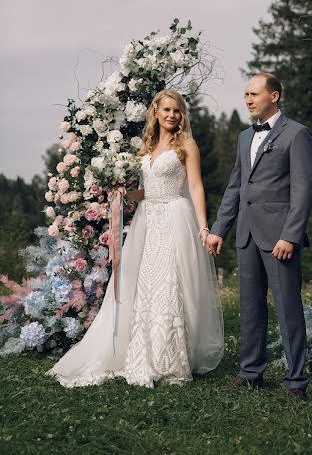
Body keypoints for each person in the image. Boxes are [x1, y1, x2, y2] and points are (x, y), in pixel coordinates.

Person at [48, 89, 224, 388]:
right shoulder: (146, 148)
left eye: (177, 111)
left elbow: (195, 187)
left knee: (169, 284)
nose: (171, 115)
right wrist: (124, 195)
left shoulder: (187, 145)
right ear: (155, 112)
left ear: (182, 116)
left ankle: (170, 360)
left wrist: (203, 227)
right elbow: (147, 190)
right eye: (166, 110)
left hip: (174, 217)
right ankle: (143, 354)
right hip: (147, 219)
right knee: (146, 284)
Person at [207, 73, 312, 399]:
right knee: (250, 308)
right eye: (246, 94)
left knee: (288, 308)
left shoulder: (297, 135)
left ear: (275, 96)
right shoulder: (244, 137)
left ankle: (296, 382)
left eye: (254, 94)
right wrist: (219, 229)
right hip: (247, 235)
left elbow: (303, 190)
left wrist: (291, 236)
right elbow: (236, 187)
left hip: (280, 238)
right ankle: (251, 372)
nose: (248, 99)